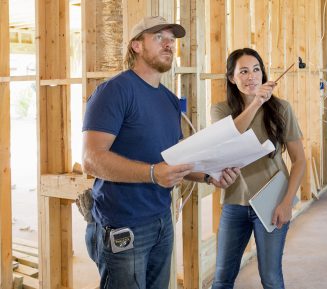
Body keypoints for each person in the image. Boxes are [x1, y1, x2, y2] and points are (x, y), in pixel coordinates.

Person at [82, 16, 239, 289]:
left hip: (161, 221)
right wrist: (153, 174)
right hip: (123, 223)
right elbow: (91, 159)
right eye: (158, 37)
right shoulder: (115, 91)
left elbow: (173, 161)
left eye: (171, 39)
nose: (169, 44)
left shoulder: (168, 99)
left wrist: (208, 176)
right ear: (136, 46)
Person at [211, 48, 306, 289]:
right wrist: (255, 103)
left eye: (256, 70)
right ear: (232, 78)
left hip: (272, 203)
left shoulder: (281, 109)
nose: (251, 76)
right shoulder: (221, 111)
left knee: (271, 278)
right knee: (222, 278)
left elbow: (299, 160)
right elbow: (230, 138)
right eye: (243, 71)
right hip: (235, 204)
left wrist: (286, 203)